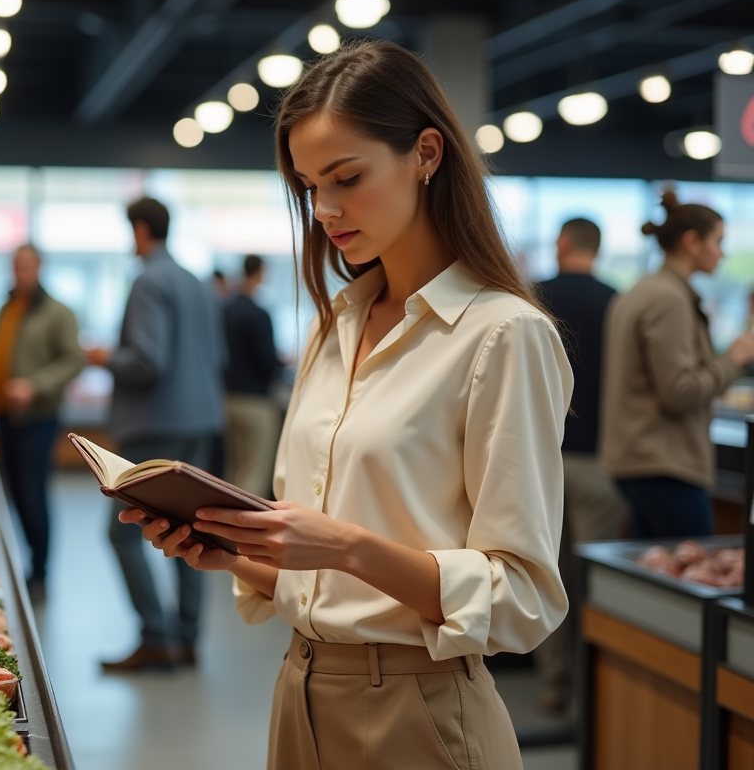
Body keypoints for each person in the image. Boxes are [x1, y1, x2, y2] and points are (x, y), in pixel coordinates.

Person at [117, 40, 571, 769]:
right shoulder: (338, 323)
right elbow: (322, 582)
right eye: (306, 187)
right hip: (299, 693)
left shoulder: (502, 336)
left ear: (426, 153)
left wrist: (344, 544)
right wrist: (232, 555)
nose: (324, 209)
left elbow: (521, 596)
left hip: (422, 714)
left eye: (347, 178)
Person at [86, 197, 226, 671]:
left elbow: (147, 360)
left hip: (155, 425)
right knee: (197, 530)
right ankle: (186, 638)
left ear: (141, 230)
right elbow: (215, 357)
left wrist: (104, 358)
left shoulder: (148, 280)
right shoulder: (197, 283)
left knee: (121, 533)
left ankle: (156, 637)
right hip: (200, 420)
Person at [601, 191, 754, 538]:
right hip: (664, 464)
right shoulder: (668, 298)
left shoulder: (645, 290)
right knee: (692, 577)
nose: (723, 252)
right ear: (691, 242)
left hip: (643, 460)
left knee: (652, 579)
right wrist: (734, 359)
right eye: (718, 241)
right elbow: (679, 391)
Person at [532, 218, 628, 716]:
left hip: (537, 463)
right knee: (594, 582)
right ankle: (597, 694)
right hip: (598, 461)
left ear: (561, 243)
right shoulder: (619, 302)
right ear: (598, 248)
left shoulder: (529, 297)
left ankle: (554, 685)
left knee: (548, 577)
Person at [0, 244, 84, 602]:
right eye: (15, 266)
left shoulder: (58, 313)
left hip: (38, 419)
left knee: (33, 495)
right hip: (5, 418)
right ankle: (18, 567)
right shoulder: (7, 308)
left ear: (40, 268)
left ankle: (39, 574)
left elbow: (74, 361)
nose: (20, 273)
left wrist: (34, 386)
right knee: (12, 495)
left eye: (26, 267)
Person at [222, 255, 284, 499]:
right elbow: (269, 362)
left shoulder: (224, 309)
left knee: (233, 470)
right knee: (255, 471)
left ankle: (222, 531)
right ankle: (243, 533)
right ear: (260, 273)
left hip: (226, 398)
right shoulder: (259, 314)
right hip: (255, 401)